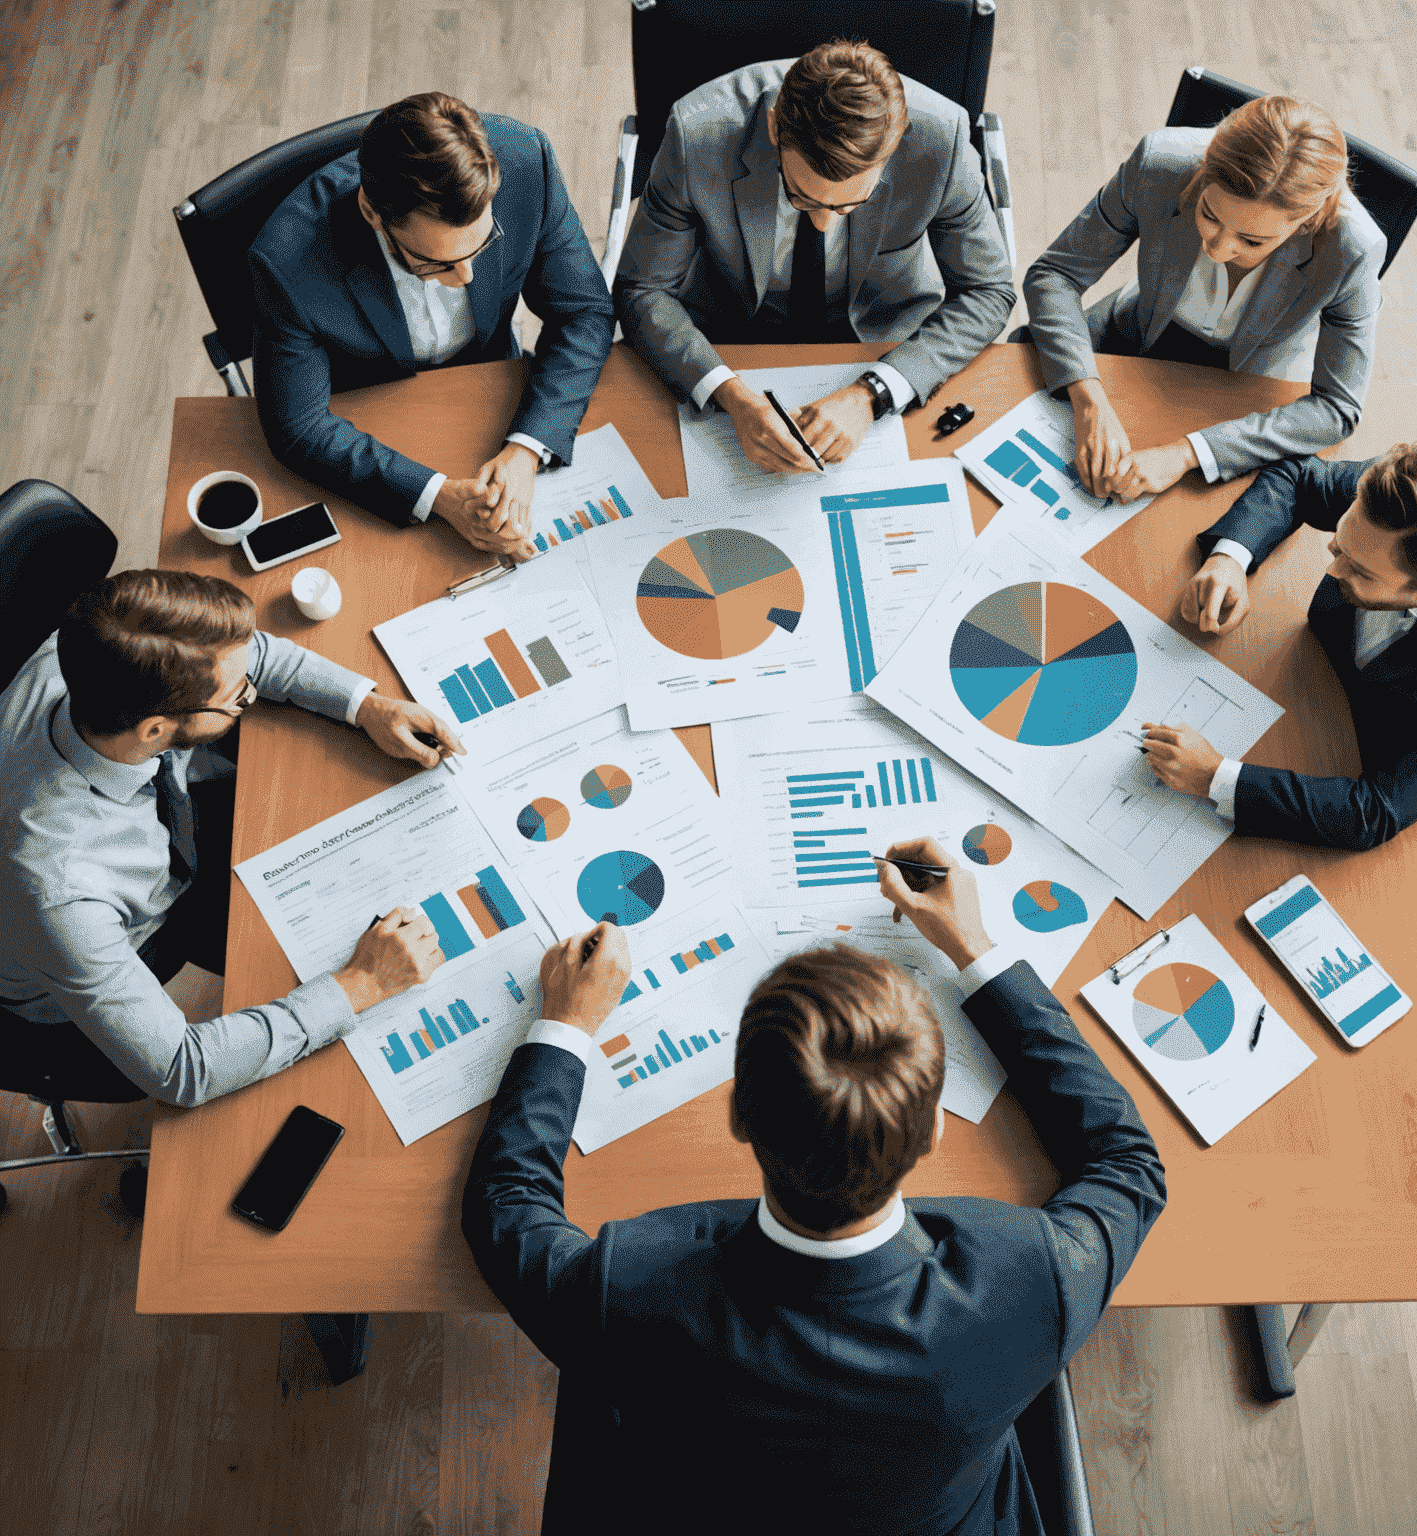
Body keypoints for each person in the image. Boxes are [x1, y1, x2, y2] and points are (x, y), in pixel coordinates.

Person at [461, 838, 1165, 1534]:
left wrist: (566, 1023)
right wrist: (976, 948)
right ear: (932, 1136)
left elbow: (505, 1207)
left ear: (738, 1115)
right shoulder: (1032, 1273)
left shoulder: (630, 1289)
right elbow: (1127, 1164)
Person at [0, 570, 464, 1107]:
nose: (250, 689)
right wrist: (361, 986)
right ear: (154, 730)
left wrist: (368, 706)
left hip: (159, 845)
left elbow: (247, 655)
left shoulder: (86, 649)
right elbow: (183, 1069)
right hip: (95, 962)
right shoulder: (61, 894)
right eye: (236, 696)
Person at [613, 41, 1016, 477]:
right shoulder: (698, 135)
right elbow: (642, 289)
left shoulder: (942, 137)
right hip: (728, 338)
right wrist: (730, 394)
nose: (823, 223)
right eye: (801, 197)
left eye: (848, 206)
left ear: (897, 147)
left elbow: (988, 289)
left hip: (886, 341)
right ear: (773, 128)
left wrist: (872, 393)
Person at [250, 92, 613, 562]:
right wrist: (438, 497)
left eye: (480, 248)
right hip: (370, 417)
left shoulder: (529, 163)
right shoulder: (285, 262)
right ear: (373, 215)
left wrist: (527, 449)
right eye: (434, 263)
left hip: (490, 390)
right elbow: (297, 427)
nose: (466, 277)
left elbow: (583, 311)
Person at [1145, 440, 1417, 850]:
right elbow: (1298, 477)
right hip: (1314, 672)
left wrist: (1212, 777)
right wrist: (1229, 559)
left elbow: (1373, 814)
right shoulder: (1399, 504)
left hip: (1399, 762)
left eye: (1360, 571)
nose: (1332, 568)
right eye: (1338, 544)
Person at [1022, 95, 1387, 503]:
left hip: (1247, 389)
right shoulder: (1158, 164)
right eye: (1209, 214)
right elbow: (1056, 273)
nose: (1218, 248)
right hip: (1135, 336)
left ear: (1307, 220)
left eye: (1251, 240)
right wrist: (1089, 399)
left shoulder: (1353, 248)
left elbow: (1337, 408)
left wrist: (1186, 454)